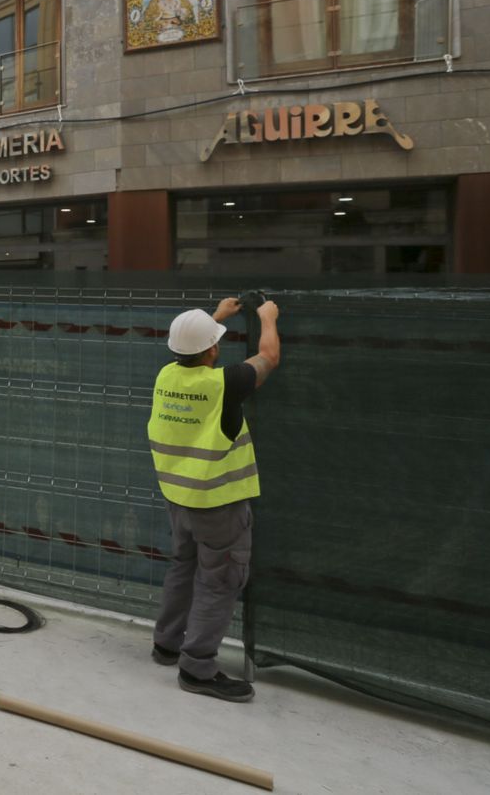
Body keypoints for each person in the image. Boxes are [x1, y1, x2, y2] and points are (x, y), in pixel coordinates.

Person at [147, 296, 281, 704]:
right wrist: (267, 318)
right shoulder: (224, 384)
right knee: (219, 581)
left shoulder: (166, 375)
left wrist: (217, 317)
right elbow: (269, 356)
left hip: (179, 499)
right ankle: (198, 668)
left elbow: (187, 346)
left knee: (183, 568)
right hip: (217, 504)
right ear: (213, 349)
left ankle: (167, 645)